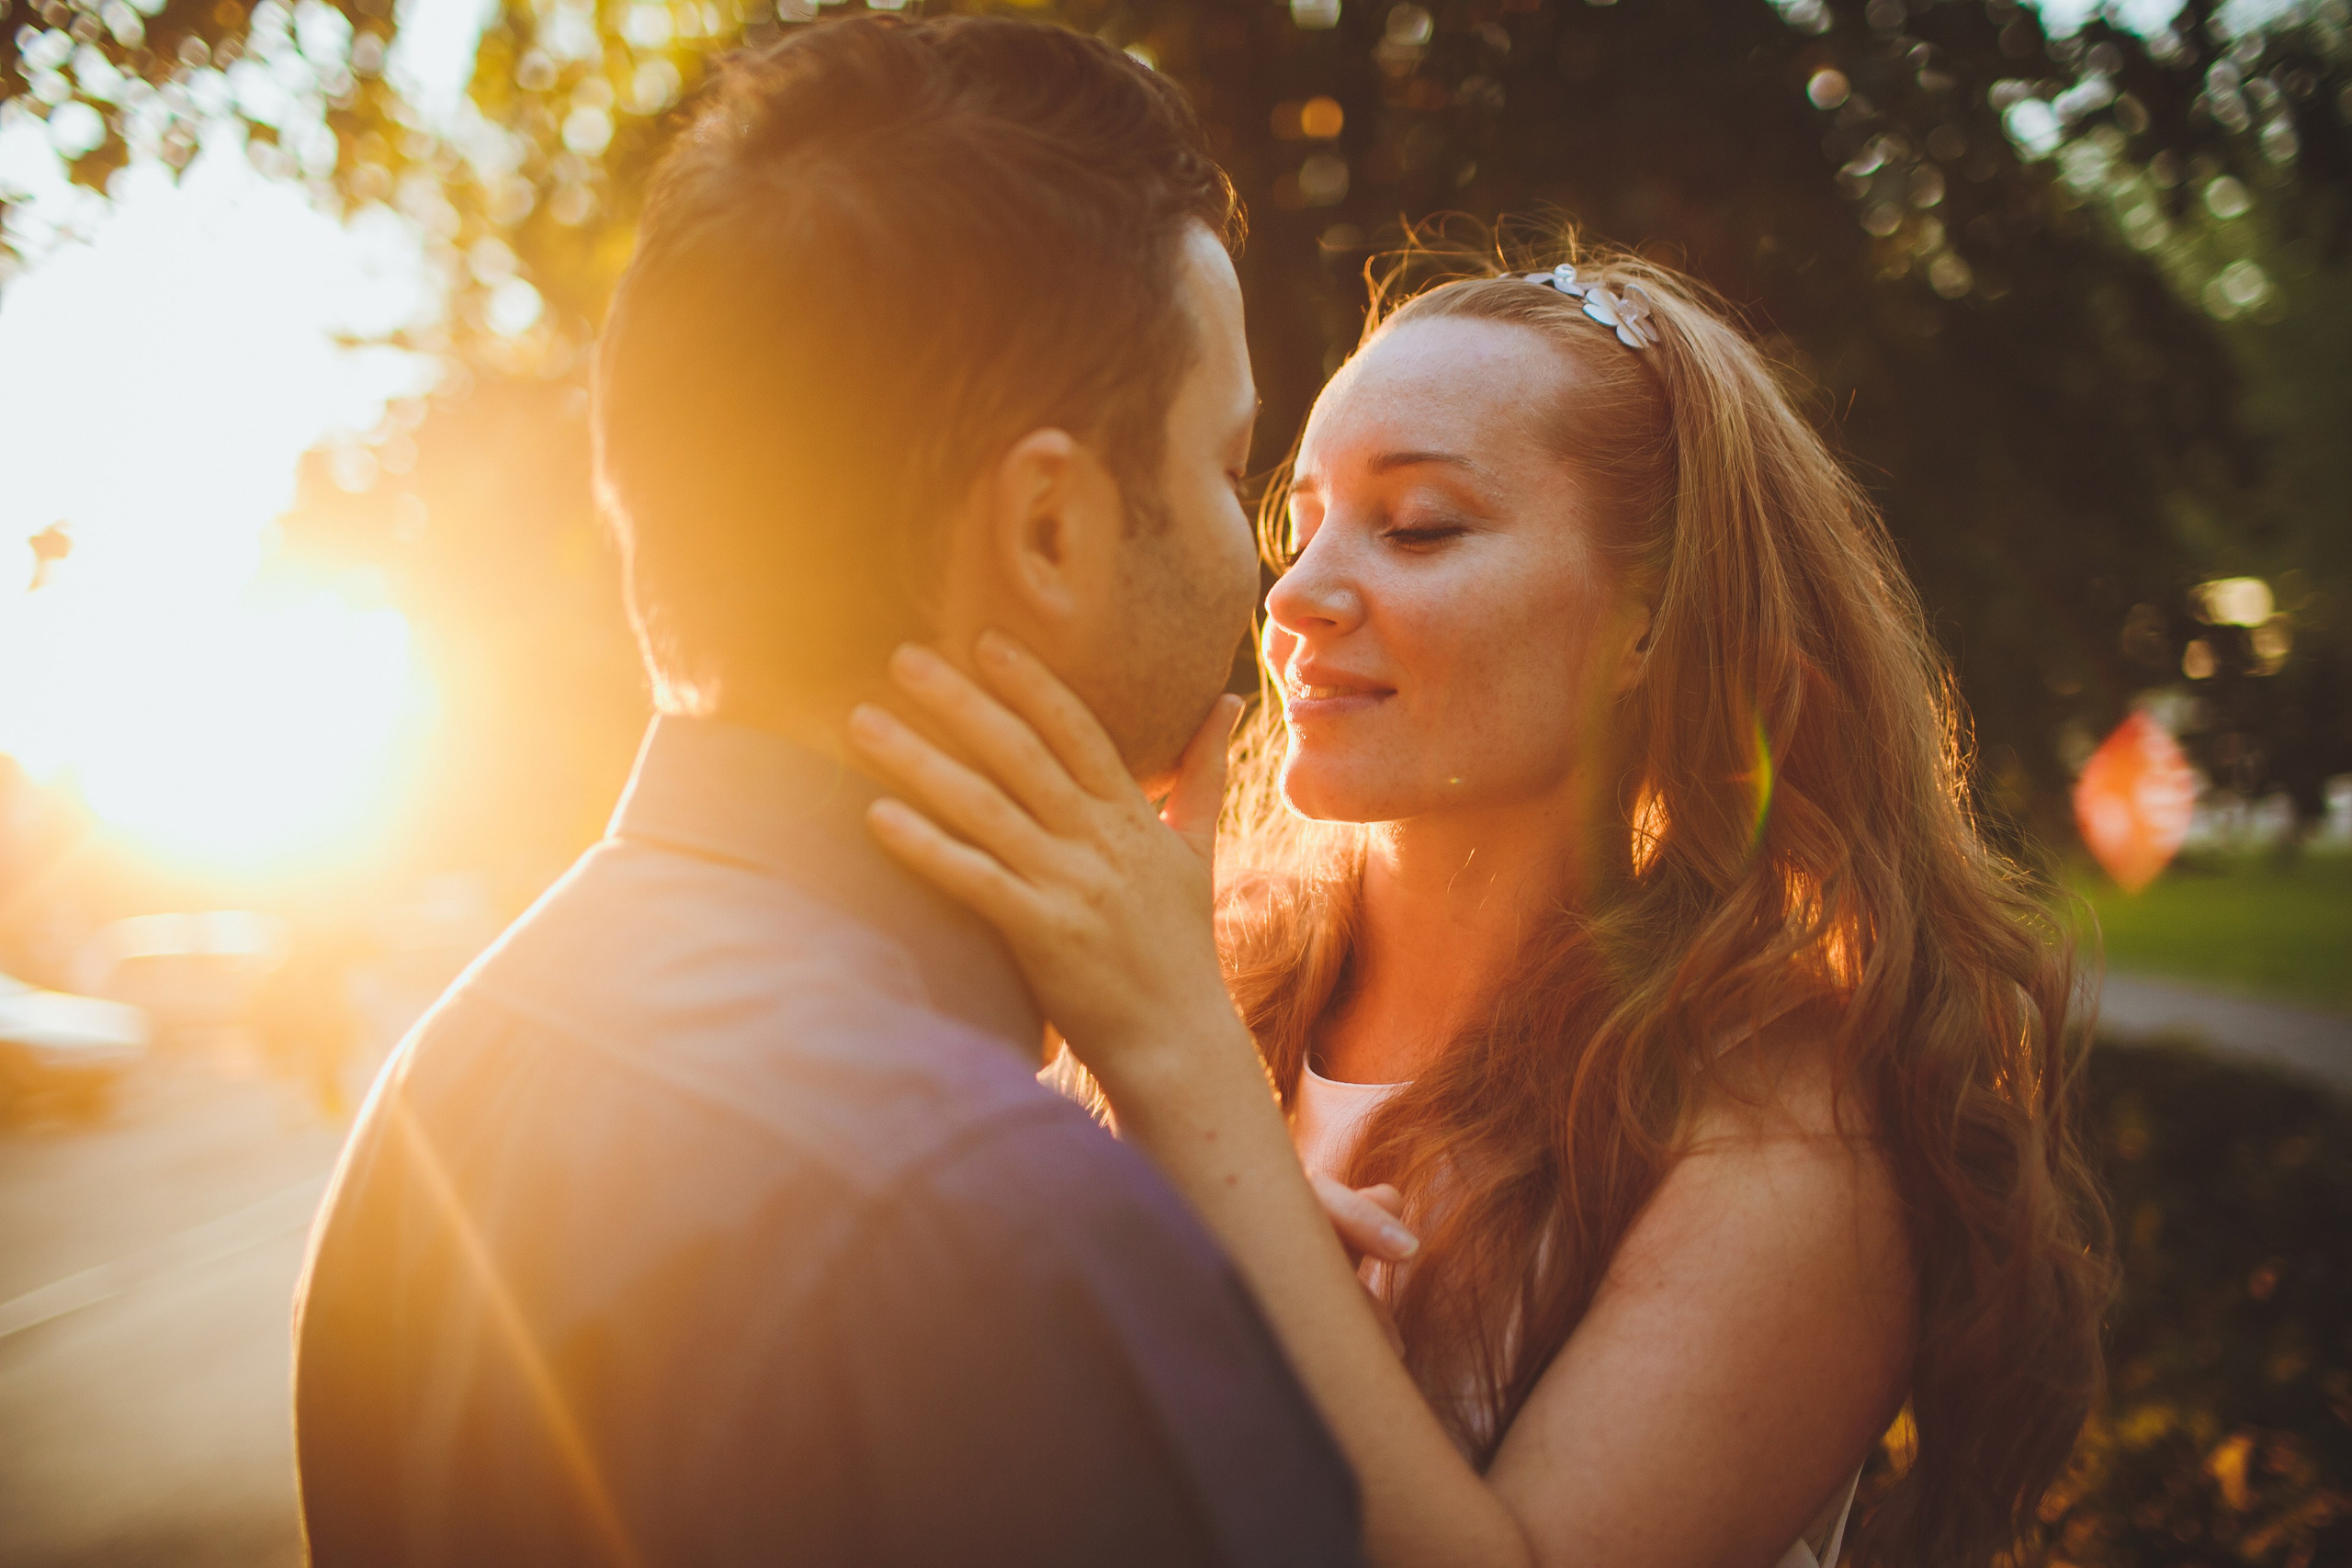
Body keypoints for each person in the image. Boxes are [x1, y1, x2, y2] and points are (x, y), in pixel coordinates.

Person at [852, 239, 2116, 1568]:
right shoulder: (1188, 968)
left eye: (1415, 527)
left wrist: (1191, 1100)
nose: (1295, 597)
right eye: (1298, 526)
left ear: (1650, 618)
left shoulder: (1784, 1128)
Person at [291, 17, 1364, 1566]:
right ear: (1049, 530)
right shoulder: (1003, 1234)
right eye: (1229, 461)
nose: (1260, 561)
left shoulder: (440, 1091)